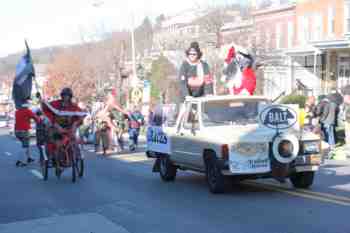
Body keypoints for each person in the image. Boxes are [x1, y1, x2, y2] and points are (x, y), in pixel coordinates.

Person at [42, 87, 86, 173]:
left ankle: (75, 155)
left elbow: (81, 116)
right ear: (62, 96)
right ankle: (58, 165)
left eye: (68, 96)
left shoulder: (74, 106)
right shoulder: (55, 104)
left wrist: (75, 124)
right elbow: (46, 108)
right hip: (56, 128)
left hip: (69, 129)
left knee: (75, 141)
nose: (66, 97)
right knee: (58, 145)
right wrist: (43, 101)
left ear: (70, 96)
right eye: (64, 95)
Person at [14, 101, 41, 167]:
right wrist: (39, 120)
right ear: (27, 106)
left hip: (17, 131)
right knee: (25, 146)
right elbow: (36, 118)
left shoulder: (17, 112)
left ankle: (29, 158)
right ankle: (20, 161)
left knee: (26, 145)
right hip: (24, 131)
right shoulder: (27, 111)